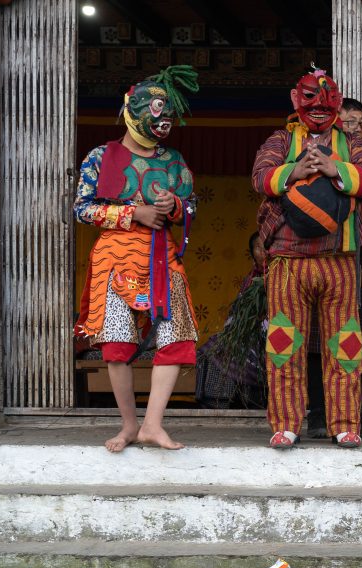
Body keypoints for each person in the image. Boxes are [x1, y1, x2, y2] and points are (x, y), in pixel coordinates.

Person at [252, 69, 362, 449]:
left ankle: (344, 422)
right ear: (296, 100)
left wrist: (335, 169)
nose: (319, 108)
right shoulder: (280, 140)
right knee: (283, 343)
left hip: (339, 258)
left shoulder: (353, 144)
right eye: (310, 99)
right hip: (287, 260)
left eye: (328, 102)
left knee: (345, 344)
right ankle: (286, 424)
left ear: (338, 105)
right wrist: (295, 170)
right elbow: (259, 176)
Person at [74, 65, 200, 453]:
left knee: (176, 339)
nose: (163, 123)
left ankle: (153, 424)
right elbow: (82, 209)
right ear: (132, 109)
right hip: (115, 259)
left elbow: (192, 207)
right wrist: (134, 214)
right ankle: (128, 425)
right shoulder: (100, 157)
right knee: (115, 342)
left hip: (162, 260)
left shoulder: (175, 160)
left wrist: (175, 206)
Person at [305, 97, 362, 439]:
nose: (354, 129)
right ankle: (317, 416)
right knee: (317, 340)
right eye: (348, 122)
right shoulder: (314, 151)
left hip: (361, 261)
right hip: (323, 254)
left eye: (361, 123)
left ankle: (349, 414)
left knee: (357, 339)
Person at [195, 232, 268, 409]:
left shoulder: (283, 276)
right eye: (257, 248)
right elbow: (237, 312)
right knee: (211, 348)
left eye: (266, 247)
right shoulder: (250, 280)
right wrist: (234, 331)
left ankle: (255, 398)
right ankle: (212, 401)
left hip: (272, 335)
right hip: (248, 335)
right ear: (252, 253)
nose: (262, 252)